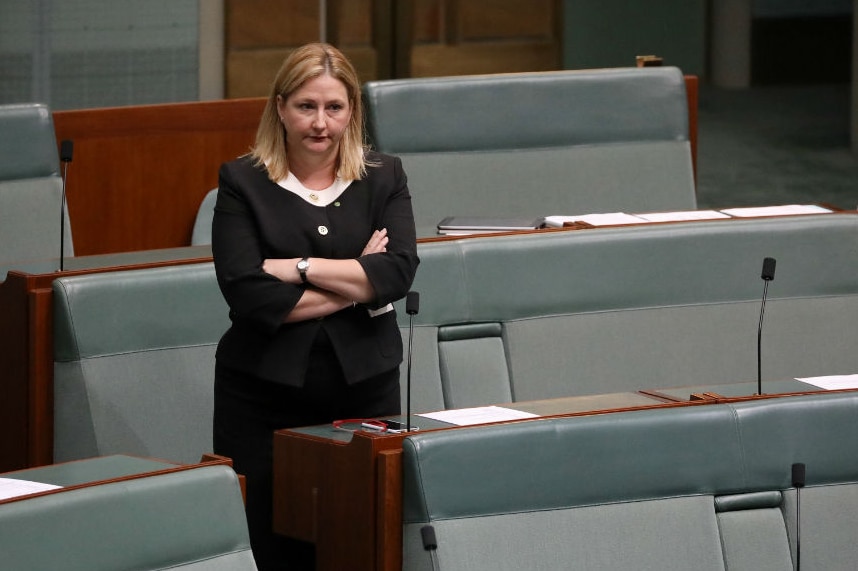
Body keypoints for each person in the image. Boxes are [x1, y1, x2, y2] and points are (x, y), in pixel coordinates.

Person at [211, 43, 419, 571]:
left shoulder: (383, 175)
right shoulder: (243, 182)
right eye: (307, 106)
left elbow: (395, 273)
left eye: (335, 107)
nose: (321, 124)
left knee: (360, 544)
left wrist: (295, 267)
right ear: (280, 107)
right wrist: (355, 280)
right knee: (273, 548)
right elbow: (249, 295)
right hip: (263, 400)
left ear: (353, 112)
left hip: (365, 393)